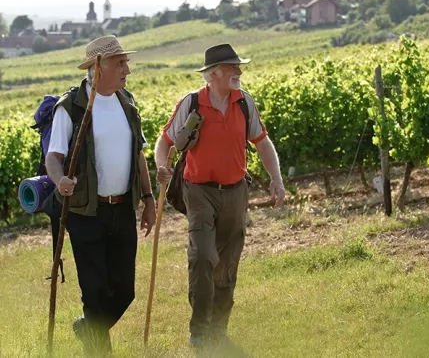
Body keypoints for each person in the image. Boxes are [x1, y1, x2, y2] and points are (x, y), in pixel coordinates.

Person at [155, 43, 285, 349]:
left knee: (226, 262)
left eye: (238, 67)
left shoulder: (244, 102)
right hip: (198, 191)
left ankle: (218, 327)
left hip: (236, 192)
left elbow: (262, 143)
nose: (238, 72)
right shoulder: (191, 104)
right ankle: (199, 328)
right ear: (213, 74)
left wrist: (277, 179)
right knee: (202, 256)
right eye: (231, 68)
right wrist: (162, 165)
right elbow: (165, 142)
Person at [45, 35, 156, 356]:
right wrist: (60, 180)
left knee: (124, 292)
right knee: (94, 293)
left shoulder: (127, 102)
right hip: (85, 213)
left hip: (122, 210)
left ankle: (87, 328)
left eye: (126, 62)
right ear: (98, 67)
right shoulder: (71, 108)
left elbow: (139, 154)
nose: (127, 69)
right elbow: (54, 156)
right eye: (120, 63)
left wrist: (148, 200)